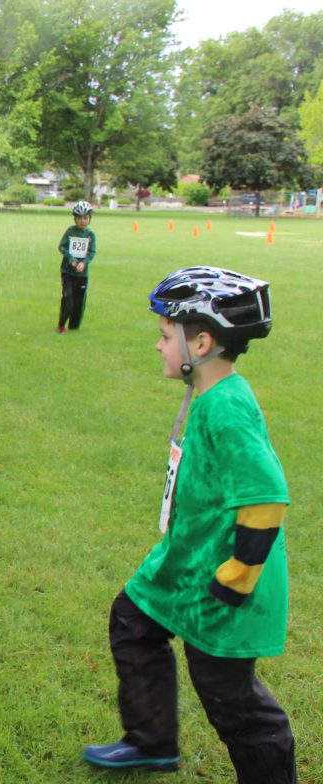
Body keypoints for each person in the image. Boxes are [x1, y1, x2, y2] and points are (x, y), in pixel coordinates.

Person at [83, 267, 295, 783]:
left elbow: (266, 500)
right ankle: (151, 742)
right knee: (133, 621)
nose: (157, 346)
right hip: (185, 565)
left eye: (163, 335)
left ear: (200, 342)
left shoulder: (226, 409)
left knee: (235, 703)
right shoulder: (209, 401)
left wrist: (235, 578)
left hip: (221, 584)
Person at [57, 201, 96, 333]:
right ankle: (61, 324)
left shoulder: (90, 235)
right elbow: (61, 246)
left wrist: (84, 262)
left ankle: (74, 327)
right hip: (67, 272)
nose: (82, 221)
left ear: (89, 218)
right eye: (79, 218)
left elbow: (92, 252)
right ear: (75, 219)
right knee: (68, 297)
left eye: (85, 218)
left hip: (82, 275)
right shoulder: (70, 231)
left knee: (79, 301)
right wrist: (71, 259)